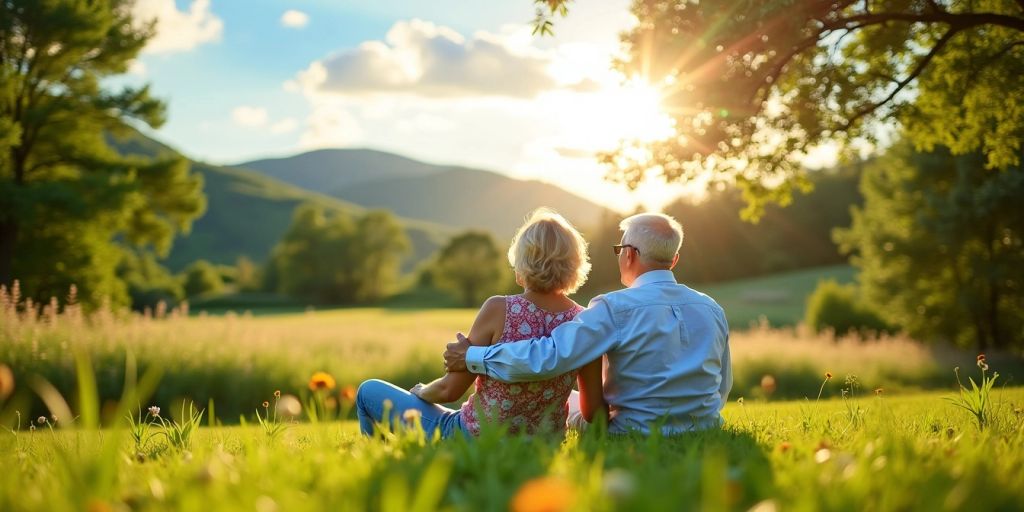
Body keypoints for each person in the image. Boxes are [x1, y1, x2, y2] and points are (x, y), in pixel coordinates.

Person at [444, 212, 731, 435]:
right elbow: (723, 384)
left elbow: (548, 358)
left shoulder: (614, 308)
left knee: (564, 402)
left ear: (629, 254)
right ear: (675, 259)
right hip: (705, 425)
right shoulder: (712, 308)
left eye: (620, 250)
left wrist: (472, 355)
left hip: (633, 430)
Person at [355, 208, 605, 438]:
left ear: (522, 261)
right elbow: (593, 409)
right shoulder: (583, 321)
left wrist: (420, 391)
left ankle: (384, 450)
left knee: (368, 391)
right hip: (544, 443)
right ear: (574, 264)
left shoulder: (499, 309)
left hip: (475, 436)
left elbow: (449, 391)